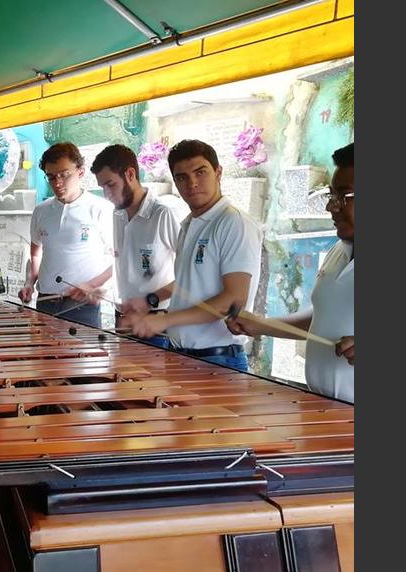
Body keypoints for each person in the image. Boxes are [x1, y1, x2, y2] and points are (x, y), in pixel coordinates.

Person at [227, 143, 354, 401]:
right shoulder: (338, 251)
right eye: (331, 196)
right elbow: (322, 318)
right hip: (322, 408)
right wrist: (261, 324)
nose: (332, 207)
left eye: (345, 196)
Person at [123, 139, 262, 371]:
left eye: (200, 172)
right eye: (182, 177)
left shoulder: (233, 223)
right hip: (181, 355)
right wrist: (151, 300)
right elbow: (190, 283)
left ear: (218, 172)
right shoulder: (190, 224)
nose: (192, 183)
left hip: (217, 361)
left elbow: (233, 300)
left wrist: (165, 320)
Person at [90, 145, 181, 348]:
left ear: (130, 174)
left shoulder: (163, 215)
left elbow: (190, 277)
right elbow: (125, 263)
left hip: (156, 322)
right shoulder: (117, 214)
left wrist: (149, 300)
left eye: (110, 184)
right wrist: (102, 286)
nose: (106, 194)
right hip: (124, 319)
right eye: (102, 187)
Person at [18, 142, 114, 328]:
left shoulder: (101, 209)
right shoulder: (41, 211)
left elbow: (120, 260)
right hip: (46, 303)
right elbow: (36, 254)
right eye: (51, 177)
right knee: (43, 356)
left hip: (82, 306)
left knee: (81, 357)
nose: (58, 183)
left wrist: (92, 285)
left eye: (64, 175)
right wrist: (29, 282)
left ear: (81, 172)